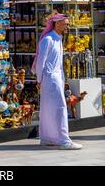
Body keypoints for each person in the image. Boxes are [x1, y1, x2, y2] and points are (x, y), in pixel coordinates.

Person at [32, 13, 82, 150]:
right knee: (59, 108)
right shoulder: (48, 39)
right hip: (49, 78)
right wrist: (39, 80)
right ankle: (64, 140)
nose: (68, 26)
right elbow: (41, 62)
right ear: (57, 23)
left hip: (56, 78)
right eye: (66, 23)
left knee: (49, 109)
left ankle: (48, 138)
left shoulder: (58, 39)